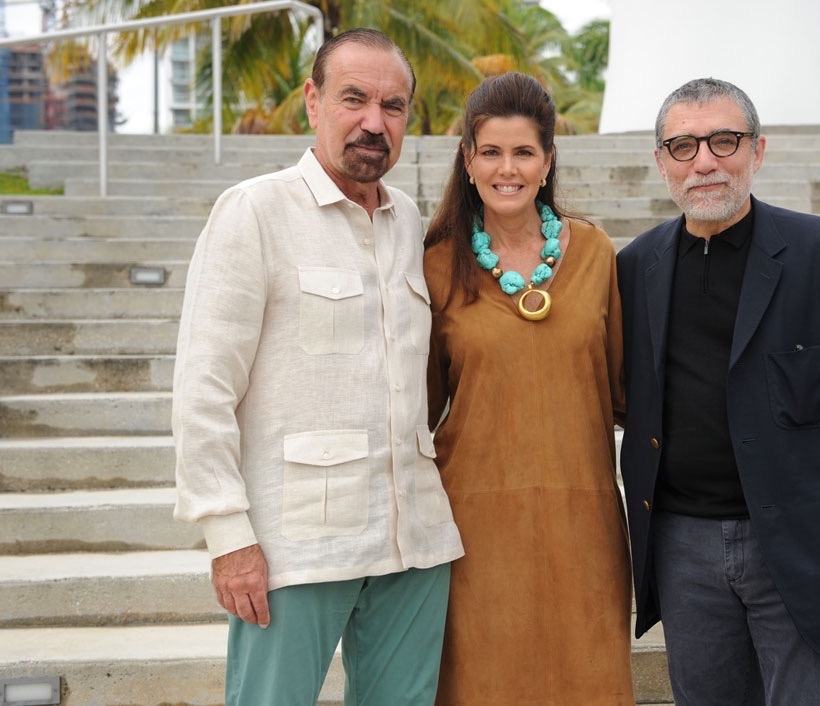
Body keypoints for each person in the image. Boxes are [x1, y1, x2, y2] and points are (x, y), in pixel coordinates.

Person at [171, 28, 463, 706]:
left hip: (412, 542)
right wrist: (227, 535)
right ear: (312, 100)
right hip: (294, 545)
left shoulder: (409, 221)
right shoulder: (255, 212)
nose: (373, 122)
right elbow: (203, 390)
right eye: (354, 98)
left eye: (392, 106)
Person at [616, 77, 820, 705]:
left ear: (757, 149)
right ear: (661, 162)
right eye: (683, 146)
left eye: (724, 141)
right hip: (682, 547)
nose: (705, 162)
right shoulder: (633, 267)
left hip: (803, 544)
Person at [423, 71, 635, 705]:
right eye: (490, 152)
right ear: (467, 160)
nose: (505, 168)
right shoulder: (435, 263)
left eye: (522, 152)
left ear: (547, 161)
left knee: (589, 682)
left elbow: (626, 391)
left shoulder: (596, 253)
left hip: (586, 520)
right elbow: (417, 408)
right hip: (473, 527)